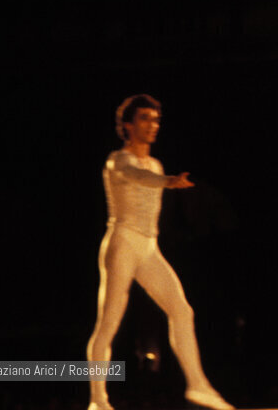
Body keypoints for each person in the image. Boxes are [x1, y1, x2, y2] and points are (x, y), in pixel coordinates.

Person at [86, 94, 232, 410]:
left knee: (182, 310)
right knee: (109, 322)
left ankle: (198, 385)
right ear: (128, 124)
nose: (152, 125)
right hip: (122, 241)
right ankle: (98, 400)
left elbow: (150, 176)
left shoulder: (155, 162)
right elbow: (136, 176)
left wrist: (163, 178)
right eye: (144, 118)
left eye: (155, 119)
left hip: (148, 246)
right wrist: (166, 182)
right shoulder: (118, 160)